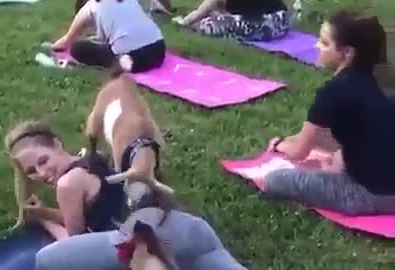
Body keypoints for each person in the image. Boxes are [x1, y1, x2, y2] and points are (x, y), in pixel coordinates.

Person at [264, 10, 395, 216]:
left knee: (274, 179)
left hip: (370, 194)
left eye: (325, 43)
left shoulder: (333, 92)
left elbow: (299, 152)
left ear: (347, 53)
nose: (317, 46)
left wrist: (279, 145)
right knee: (336, 158)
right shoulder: (381, 83)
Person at [4, 120, 130, 240]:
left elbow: (73, 246)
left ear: (57, 145)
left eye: (43, 161)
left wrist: (46, 223)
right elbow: (89, 214)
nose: (41, 173)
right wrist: (44, 213)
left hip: (127, 250)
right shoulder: (93, 157)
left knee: (45, 258)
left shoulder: (67, 184)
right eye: (31, 171)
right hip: (137, 227)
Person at [35, 207, 248, 270]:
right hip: (177, 233)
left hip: (172, 234)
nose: (42, 173)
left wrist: (45, 218)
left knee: (45, 261)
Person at [49, 0, 166, 73]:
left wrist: (62, 43)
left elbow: (68, 40)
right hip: (159, 49)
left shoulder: (91, 6)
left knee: (77, 48)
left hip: (132, 58)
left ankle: (122, 61)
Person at [171, 0, 289, 41]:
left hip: (266, 26)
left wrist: (184, 22)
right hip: (282, 21)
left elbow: (200, 13)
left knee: (207, 24)